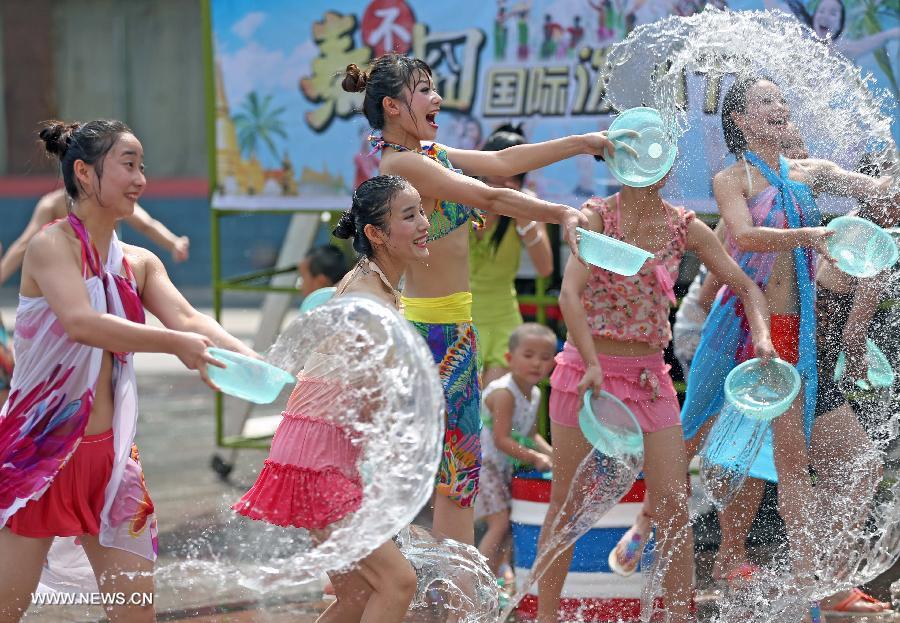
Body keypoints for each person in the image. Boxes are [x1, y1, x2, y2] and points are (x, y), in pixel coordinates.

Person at [342, 53, 630, 545]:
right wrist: (562, 214)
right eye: (424, 91)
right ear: (392, 106)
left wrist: (583, 144)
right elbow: (492, 196)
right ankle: (404, 583)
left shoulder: (428, 154)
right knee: (448, 478)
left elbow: (502, 164)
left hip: (452, 332)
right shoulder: (404, 165)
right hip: (431, 335)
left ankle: (426, 586)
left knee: (451, 478)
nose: (438, 99)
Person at [0, 119, 254, 622]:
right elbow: (82, 323)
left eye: (143, 166)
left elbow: (190, 319)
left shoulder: (138, 262)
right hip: (38, 458)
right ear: (85, 174)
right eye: (129, 165)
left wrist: (257, 361)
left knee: (135, 615)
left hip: (111, 465)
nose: (141, 178)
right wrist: (176, 345)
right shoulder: (52, 247)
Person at [680, 77, 895, 614]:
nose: (780, 106)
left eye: (782, 98)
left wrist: (885, 185)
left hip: (799, 336)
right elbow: (745, 236)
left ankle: (806, 577)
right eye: (765, 101)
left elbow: (871, 188)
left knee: (784, 461)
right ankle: (806, 581)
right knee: (752, 453)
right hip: (753, 330)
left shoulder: (803, 173)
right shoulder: (731, 178)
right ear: (743, 120)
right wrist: (812, 238)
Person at [537, 165, 775, 623]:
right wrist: (589, 363)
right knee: (565, 505)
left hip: (649, 378)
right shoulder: (594, 220)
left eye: (654, 155)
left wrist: (762, 336)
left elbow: (746, 285)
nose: (643, 165)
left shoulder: (684, 227)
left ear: (666, 168)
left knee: (672, 505)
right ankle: (546, 617)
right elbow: (569, 296)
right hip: (586, 375)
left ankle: (677, 617)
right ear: (617, 161)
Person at [233, 175, 430, 623]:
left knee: (357, 594)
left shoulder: (372, 285)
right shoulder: (369, 299)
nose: (423, 224)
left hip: (315, 449)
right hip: (321, 456)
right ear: (377, 234)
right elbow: (382, 401)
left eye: (421, 211)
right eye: (409, 215)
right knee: (398, 582)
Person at [470, 124, 554, 387]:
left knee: (495, 411)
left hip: (503, 317)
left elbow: (545, 268)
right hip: (460, 316)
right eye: (499, 171)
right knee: (462, 416)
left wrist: (522, 216)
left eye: (515, 176)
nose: (505, 181)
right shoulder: (460, 196)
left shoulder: (525, 204)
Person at [475, 323, 555, 577]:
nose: (536, 364)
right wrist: (535, 458)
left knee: (510, 523)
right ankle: (479, 581)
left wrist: (553, 455)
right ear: (509, 358)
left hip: (501, 467)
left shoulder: (534, 394)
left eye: (544, 358)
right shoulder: (504, 393)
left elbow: (529, 435)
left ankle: (499, 576)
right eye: (528, 356)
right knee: (498, 524)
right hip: (483, 465)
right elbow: (501, 439)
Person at [0, 187, 189, 286]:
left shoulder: (111, 199)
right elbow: (23, 245)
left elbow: (146, 224)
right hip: (71, 280)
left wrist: (173, 243)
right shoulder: (51, 204)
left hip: (107, 276)